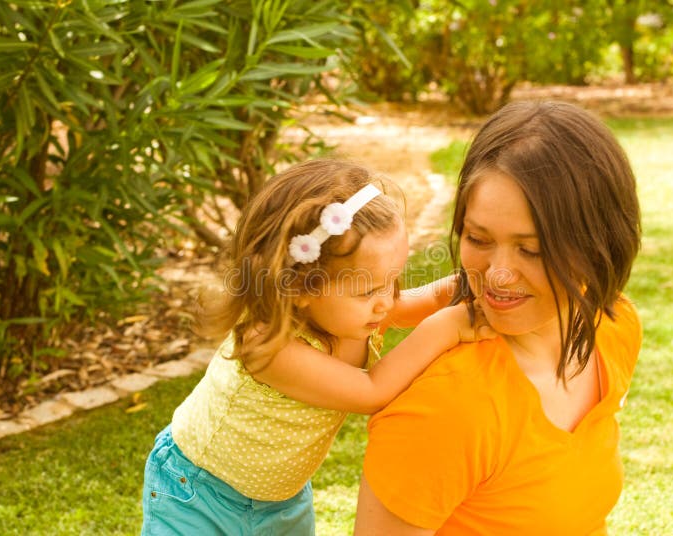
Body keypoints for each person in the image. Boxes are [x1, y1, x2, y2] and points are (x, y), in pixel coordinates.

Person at [141, 160, 492, 535]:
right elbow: (372, 391)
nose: (387, 302)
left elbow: (427, 298)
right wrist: (448, 326)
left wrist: (475, 282)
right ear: (301, 287)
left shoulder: (356, 312)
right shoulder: (268, 346)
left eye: (393, 282)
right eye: (369, 290)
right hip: (198, 494)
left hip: (282, 501)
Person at [354, 101, 643, 535]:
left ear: (598, 243)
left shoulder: (613, 327)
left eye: (532, 250)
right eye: (478, 238)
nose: (500, 275)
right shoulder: (448, 407)